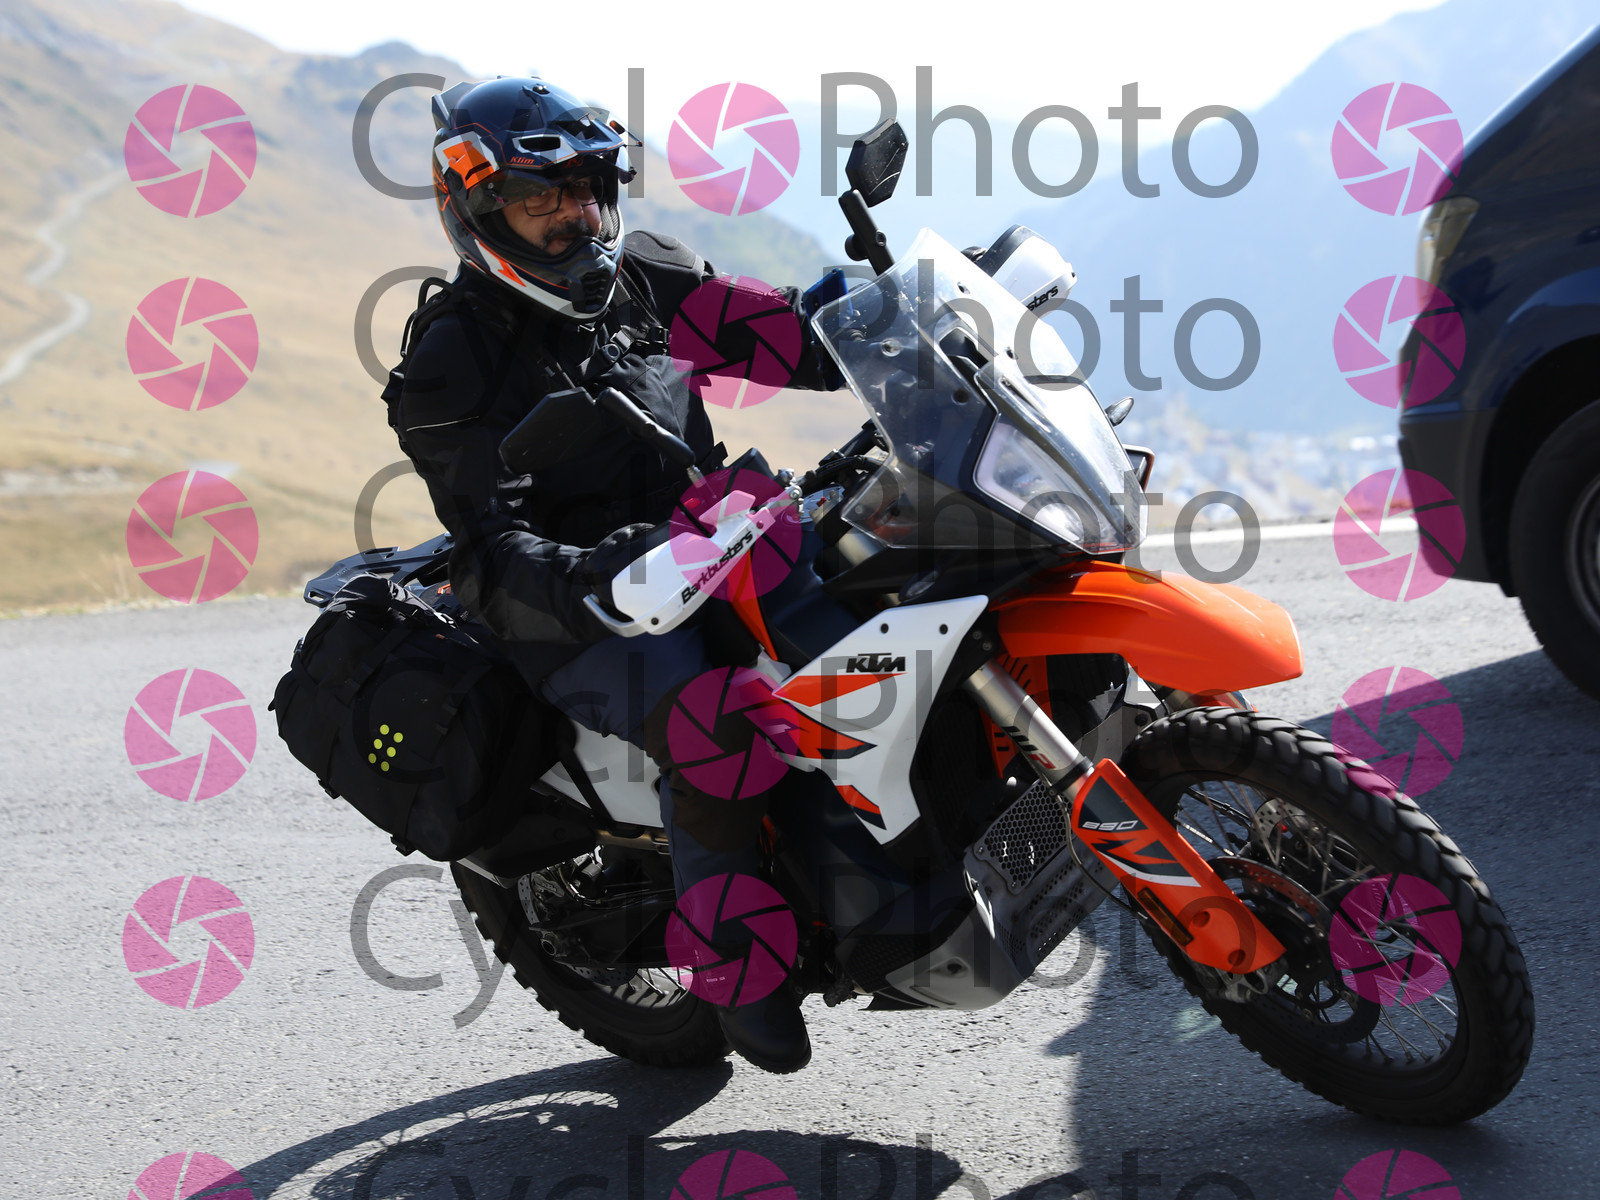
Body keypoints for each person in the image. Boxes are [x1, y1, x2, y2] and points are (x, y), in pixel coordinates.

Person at [389, 75, 832, 1073]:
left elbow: (791, 336)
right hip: (574, 613)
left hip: (713, 540)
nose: (574, 216)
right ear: (478, 207)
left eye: (588, 189)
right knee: (719, 724)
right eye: (540, 196)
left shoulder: (641, 276)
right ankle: (735, 966)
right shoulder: (455, 357)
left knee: (881, 584)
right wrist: (606, 578)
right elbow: (493, 550)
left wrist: (900, 317)